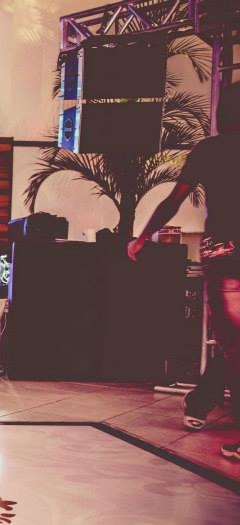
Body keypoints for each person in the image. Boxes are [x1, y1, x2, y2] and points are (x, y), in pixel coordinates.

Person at [128, 82, 240, 463]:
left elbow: (174, 200)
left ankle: (202, 402)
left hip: (225, 255)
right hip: (226, 256)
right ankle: (201, 401)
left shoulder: (210, 150)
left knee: (234, 345)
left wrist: (142, 236)